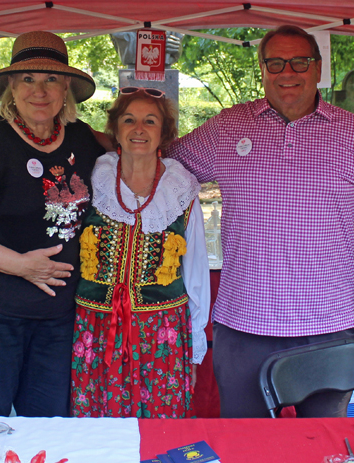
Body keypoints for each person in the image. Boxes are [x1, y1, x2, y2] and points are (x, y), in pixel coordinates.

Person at [166, 25, 354, 418]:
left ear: (318, 67)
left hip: (327, 327)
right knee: (246, 447)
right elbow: (160, 163)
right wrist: (99, 146)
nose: (287, 72)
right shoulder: (229, 127)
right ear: (262, 69)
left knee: (320, 446)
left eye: (299, 62)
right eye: (275, 63)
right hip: (244, 324)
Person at [0, 31, 105, 417]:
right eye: (27, 79)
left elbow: (135, 149)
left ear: (66, 89)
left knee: (50, 427)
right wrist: (23, 266)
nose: (39, 91)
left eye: (51, 80)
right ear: (11, 85)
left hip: (56, 318)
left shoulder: (82, 137)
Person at [71, 87, 210, 418]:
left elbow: (196, 273)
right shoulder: (94, 179)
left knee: (161, 426)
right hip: (96, 327)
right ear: (116, 129)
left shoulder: (181, 189)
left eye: (150, 121)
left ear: (164, 132)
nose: (139, 129)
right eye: (129, 120)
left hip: (162, 331)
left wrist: (195, 346)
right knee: (97, 425)